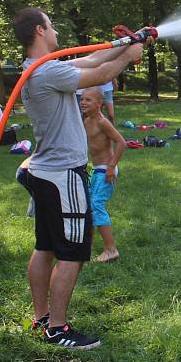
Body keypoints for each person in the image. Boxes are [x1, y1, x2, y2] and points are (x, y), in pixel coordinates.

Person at [13, 7, 145, 349]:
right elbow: (100, 72)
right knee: (72, 251)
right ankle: (58, 328)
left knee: (45, 246)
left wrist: (129, 41)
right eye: (51, 24)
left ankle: (42, 318)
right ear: (40, 31)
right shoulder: (46, 73)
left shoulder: (39, 69)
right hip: (62, 175)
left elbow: (91, 59)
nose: (55, 30)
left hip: (43, 171)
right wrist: (128, 56)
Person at [80, 87, 127, 263]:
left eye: (88, 100)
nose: (84, 102)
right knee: (89, 206)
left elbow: (122, 143)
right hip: (96, 169)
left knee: (96, 205)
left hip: (106, 169)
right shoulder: (86, 121)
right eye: (82, 99)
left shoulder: (102, 122)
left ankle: (111, 249)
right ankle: (87, 246)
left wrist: (111, 166)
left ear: (99, 103)